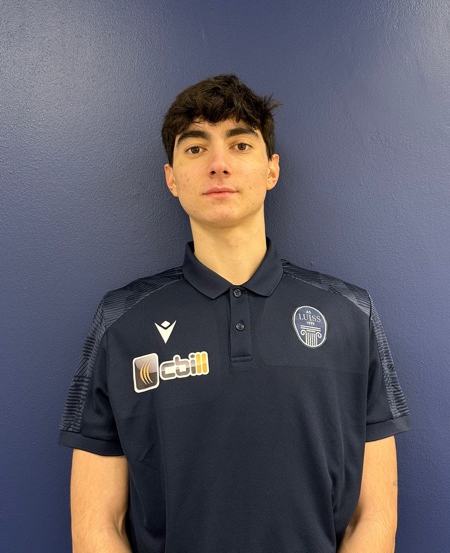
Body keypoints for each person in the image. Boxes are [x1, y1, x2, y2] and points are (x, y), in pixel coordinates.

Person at [59, 74, 410, 552]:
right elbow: (97, 526)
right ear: (171, 178)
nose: (219, 164)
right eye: (196, 148)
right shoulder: (120, 321)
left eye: (240, 145)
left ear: (271, 170)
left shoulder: (351, 313)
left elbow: (375, 516)